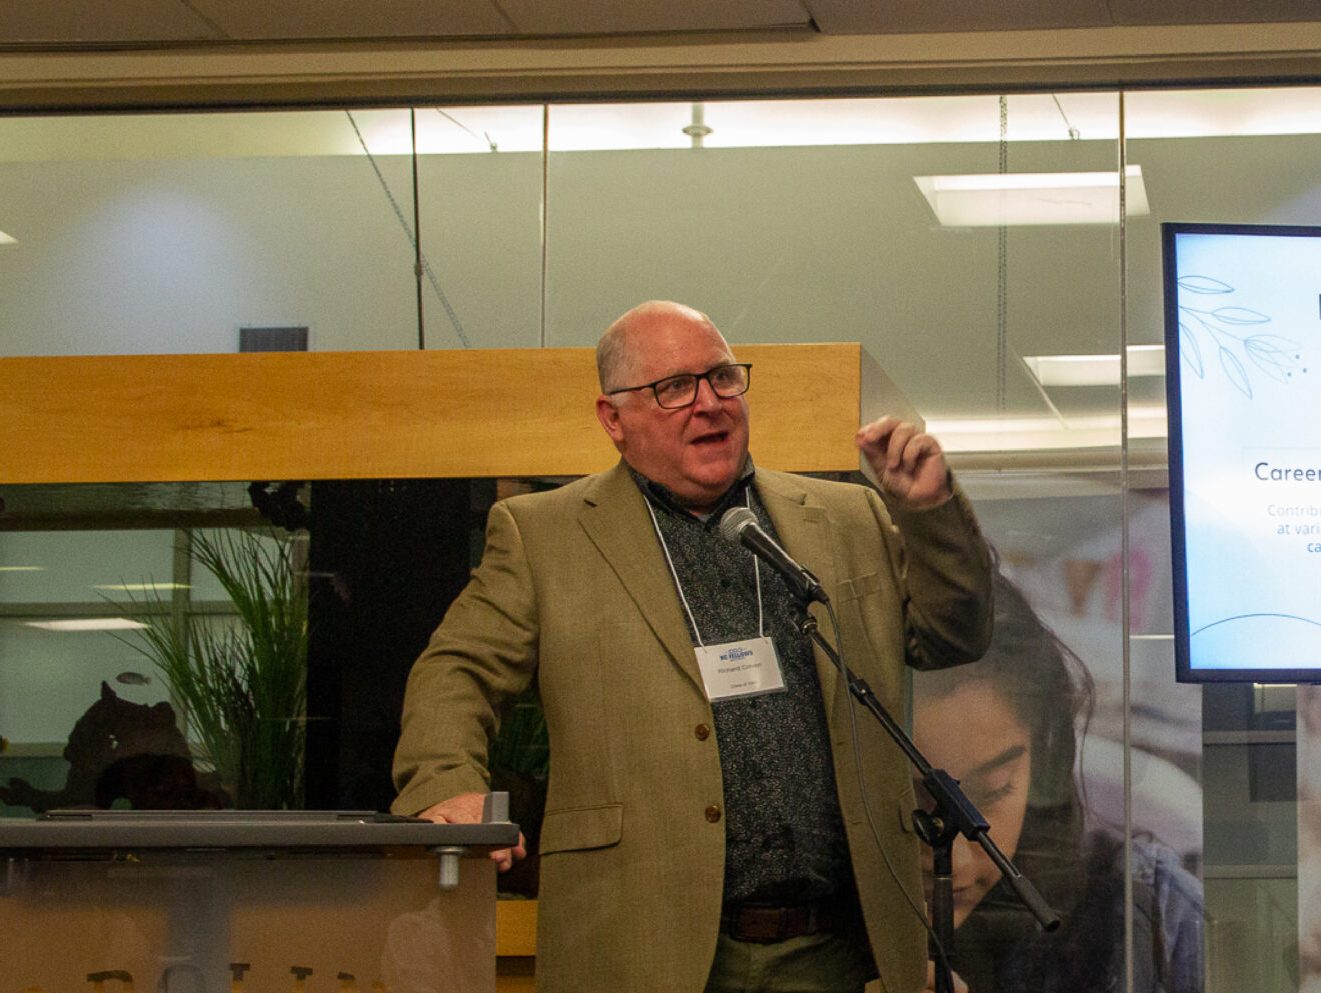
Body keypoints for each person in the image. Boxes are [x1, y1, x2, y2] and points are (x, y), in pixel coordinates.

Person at [389, 300, 995, 993]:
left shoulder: (846, 517)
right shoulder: (542, 536)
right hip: (641, 942)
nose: (708, 403)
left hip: (836, 948)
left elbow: (954, 635)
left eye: (722, 377)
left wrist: (929, 512)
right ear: (613, 419)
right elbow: (455, 670)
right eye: (674, 387)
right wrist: (446, 781)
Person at [911, 578, 1205, 993]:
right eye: (911, 805)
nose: (956, 861)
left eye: (994, 791)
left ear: (1045, 766)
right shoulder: (800, 934)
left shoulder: (1152, 916)